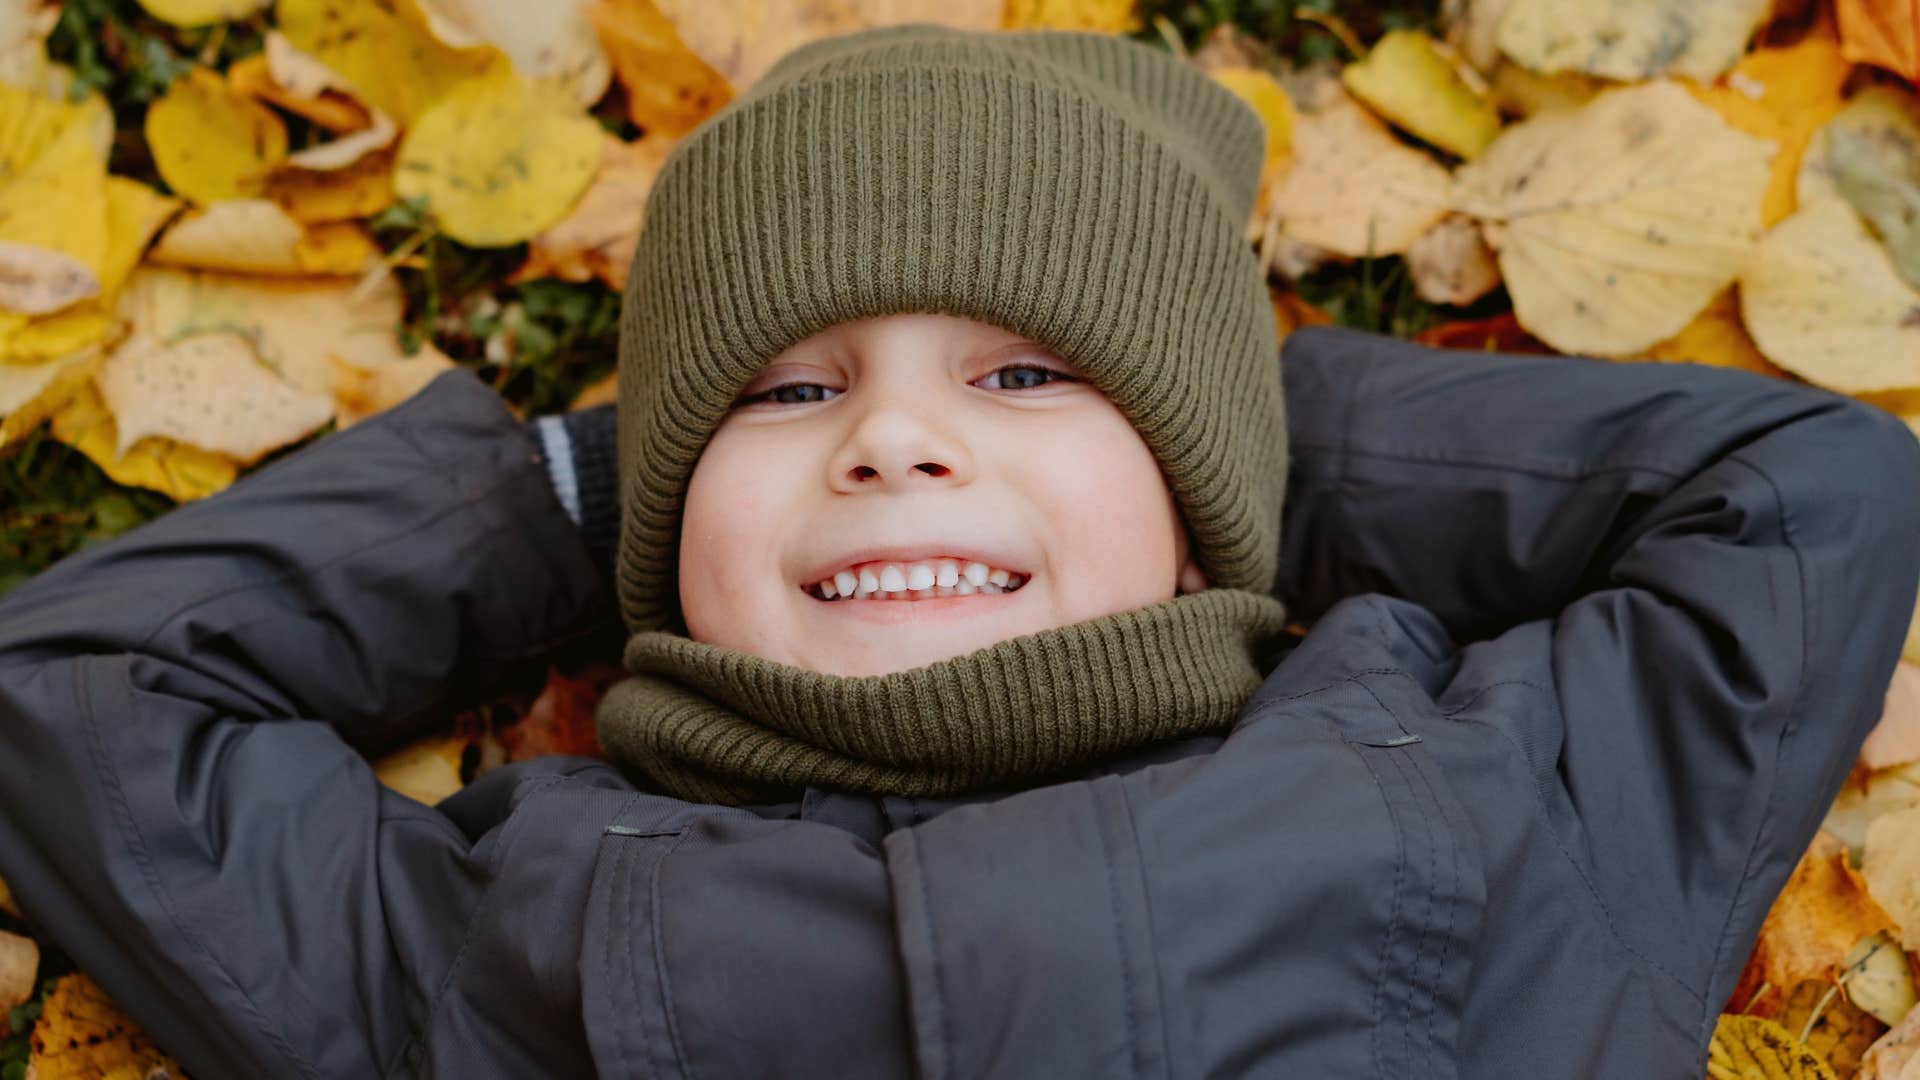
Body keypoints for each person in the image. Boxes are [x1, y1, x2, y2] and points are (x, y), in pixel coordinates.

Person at [1, 22, 1916, 1080]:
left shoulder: (1518, 814)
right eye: (775, 393)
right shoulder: (485, 955)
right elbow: (77, 688)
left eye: (1024, 373)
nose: (894, 436)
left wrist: (1240, 439)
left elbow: (1804, 497)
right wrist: (569, 496)